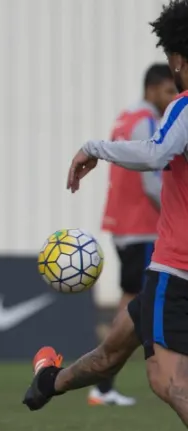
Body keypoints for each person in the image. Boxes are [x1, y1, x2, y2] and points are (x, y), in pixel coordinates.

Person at [23, 0, 188, 430]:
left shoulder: (183, 106)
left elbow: (157, 154)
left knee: (168, 382)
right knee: (112, 350)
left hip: (179, 268)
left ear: (176, 60)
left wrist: (95, 147)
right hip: (168, 269)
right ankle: (48, 383)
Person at [93, 63, 177, 406]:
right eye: (169, 91)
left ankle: (104, 383)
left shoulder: (124, 117)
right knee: (135, 305)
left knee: (132, 301)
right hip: (141, 226)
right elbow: (149, 182)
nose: (172, 97)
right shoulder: (146, 121)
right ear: (153, 89)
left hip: (122, 224)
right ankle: (103, 384)